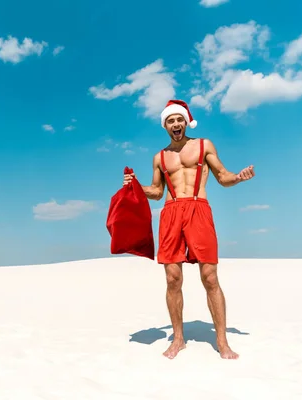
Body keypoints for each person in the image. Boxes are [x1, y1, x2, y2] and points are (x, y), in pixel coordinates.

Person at [123, 99, 255, 360]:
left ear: (186, 121)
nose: (176, 124)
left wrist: (238, 178)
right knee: (173, 278)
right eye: (170, 121)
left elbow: (223, 176)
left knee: (210, 277)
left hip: (198, 209)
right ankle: (179, 339)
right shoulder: (160, 157)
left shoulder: (204, 145)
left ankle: (222, 341)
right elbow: (157, 192)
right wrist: (136, 185)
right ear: (165, 125)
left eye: (179, 120)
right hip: (171, 213)